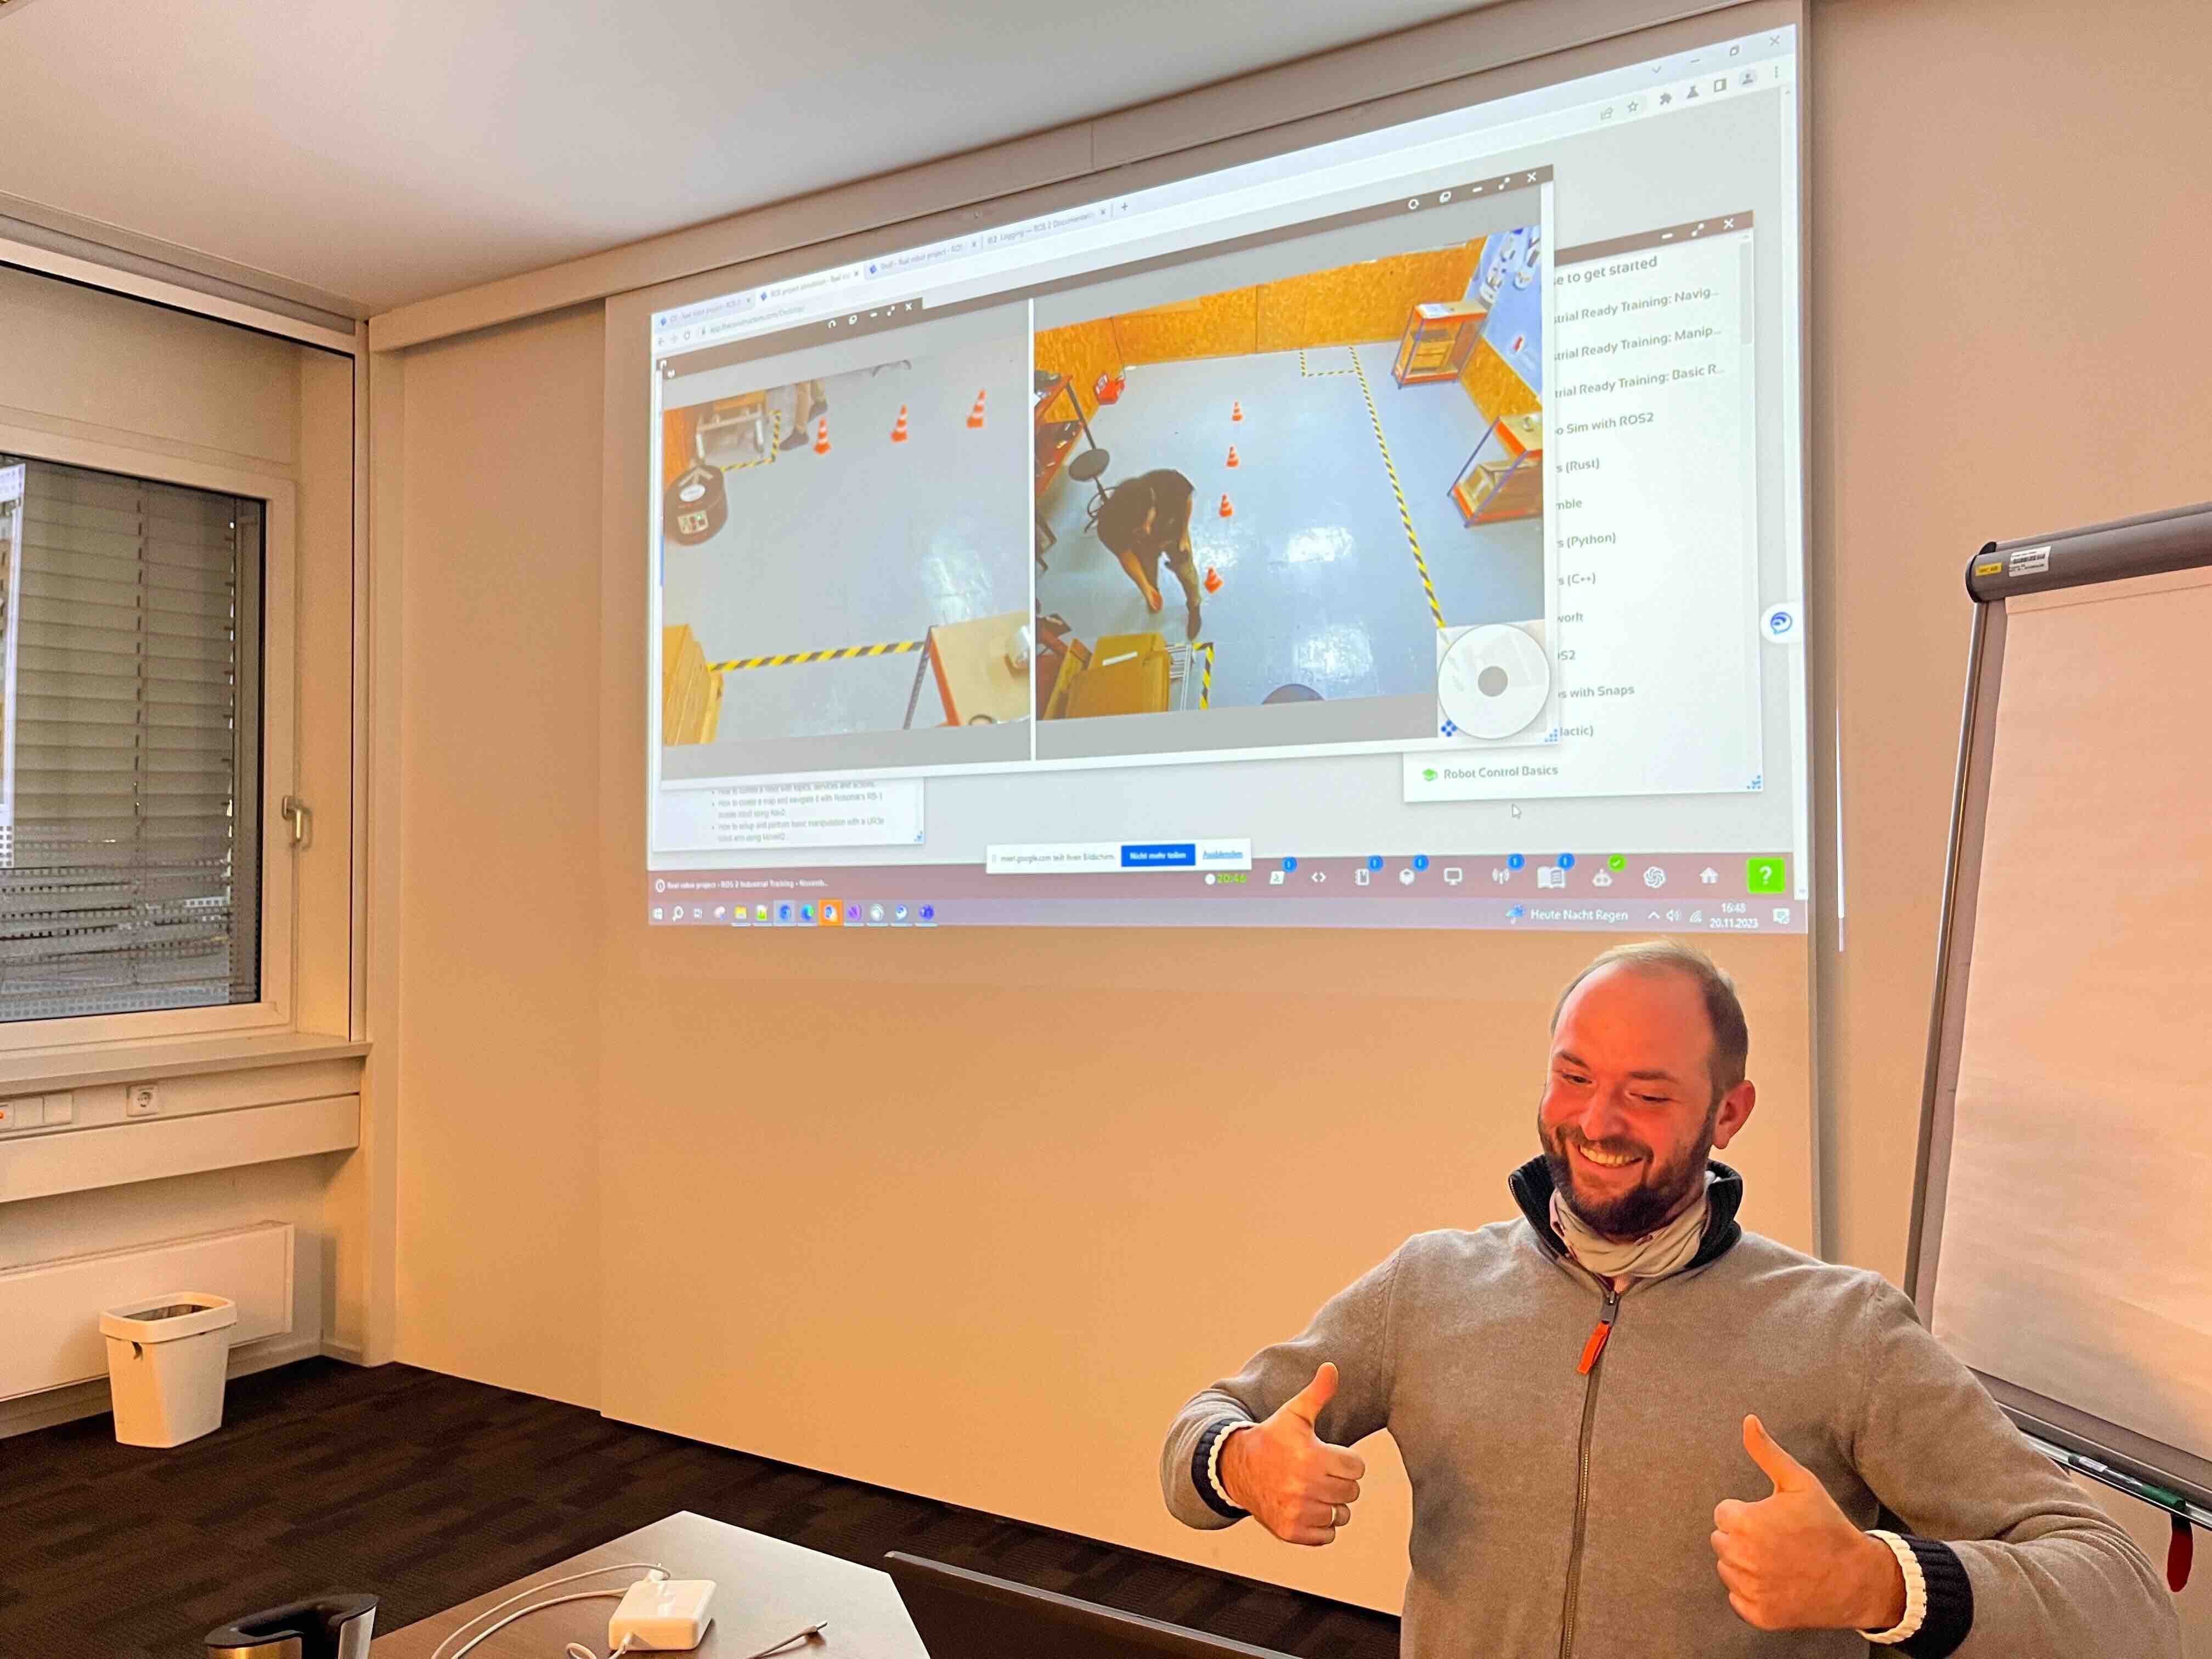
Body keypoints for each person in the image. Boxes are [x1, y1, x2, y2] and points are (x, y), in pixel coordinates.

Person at [1159, 940, 2180, 1659]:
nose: (1596, 1120)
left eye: (1648, 1093)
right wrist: (1240, 1462)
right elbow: (1201, 1432)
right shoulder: (1429, 1285)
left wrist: (1877, 1581)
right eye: (1573, 1076)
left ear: (1729, 1113)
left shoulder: (1845, 1331)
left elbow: (2125, 1602)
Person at [1092, 468, 1203, 641]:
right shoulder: (1109, 526)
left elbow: (1187, 500)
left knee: (1187, 573)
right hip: (1143, 548)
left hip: (1172, 535)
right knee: (1148, 575)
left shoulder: (1171, 483)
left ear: (1153, 506)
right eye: (1140, 530)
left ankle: (1194, 607)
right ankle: (1154, 594)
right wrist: (1145, 587)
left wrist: (1183, 535)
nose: (1148, 531)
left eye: (1147, 523)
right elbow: (1126, 556)